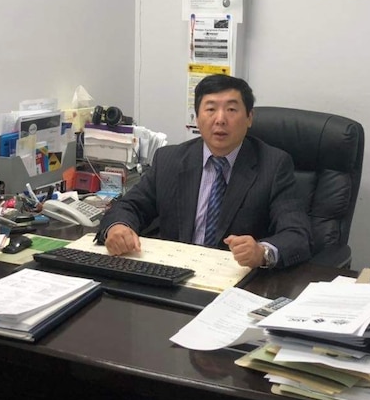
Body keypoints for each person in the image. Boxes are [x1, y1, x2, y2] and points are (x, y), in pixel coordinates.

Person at [97, 74, 311, 269]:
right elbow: (129, 206)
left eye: (232, 109)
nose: (220, 119)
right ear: (197, 118)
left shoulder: (273, 165)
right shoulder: (169, 160)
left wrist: (262, 252)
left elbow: (296, 234)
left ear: (249, 118)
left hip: (236, 280)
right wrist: (118, 228)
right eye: (210, 109)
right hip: (174, 274)